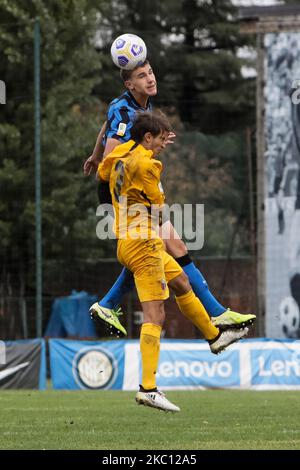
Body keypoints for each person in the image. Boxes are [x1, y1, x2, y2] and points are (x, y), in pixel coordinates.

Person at [84, 59, 256, 335]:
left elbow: (107, 126)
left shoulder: (139, 105)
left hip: (135, 193)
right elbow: (112, 156)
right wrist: (111, 168)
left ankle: (217, 314)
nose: (150, 78)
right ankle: (216, 315)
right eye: (142, 75)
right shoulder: (124, 107)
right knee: (158, 250)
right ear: (130, 84)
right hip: (128, 197)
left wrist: (96, 155)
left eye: (150, 72)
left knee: (171, 248)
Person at [97, 111, 249, 412]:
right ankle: (148, 388)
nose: (164, 144)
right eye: (160, 138)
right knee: (155, 317)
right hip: (144, 243)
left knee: (180, 281)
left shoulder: (120, 155)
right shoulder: (149, 166)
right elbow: (158, 210)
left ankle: (215, 336)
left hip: (125, 240)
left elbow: (102, 172)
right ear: (147, 137)